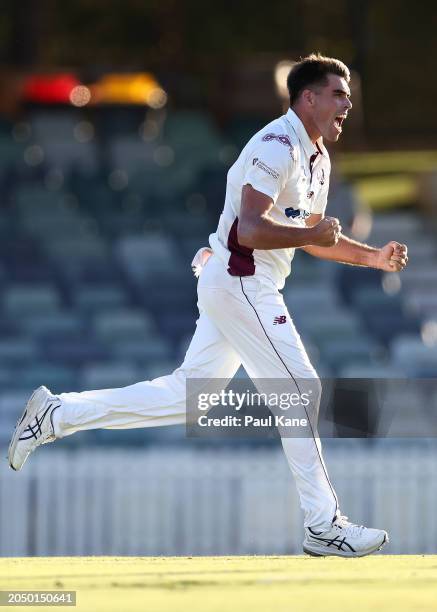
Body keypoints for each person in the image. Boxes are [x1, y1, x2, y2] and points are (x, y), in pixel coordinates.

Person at [8, 53, 408, 558]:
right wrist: (309, 230)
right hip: (242, 281)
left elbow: (313, 237)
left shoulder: (317, 156)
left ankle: (56, 413)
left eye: (348, 94)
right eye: (337, 93)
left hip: (242, 284)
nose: (347, 103)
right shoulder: (276, 143)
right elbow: (249, 228)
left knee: (186, 397)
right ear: (307, 97)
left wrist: (373, 257)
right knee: (300, 391)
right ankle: (323, 524)